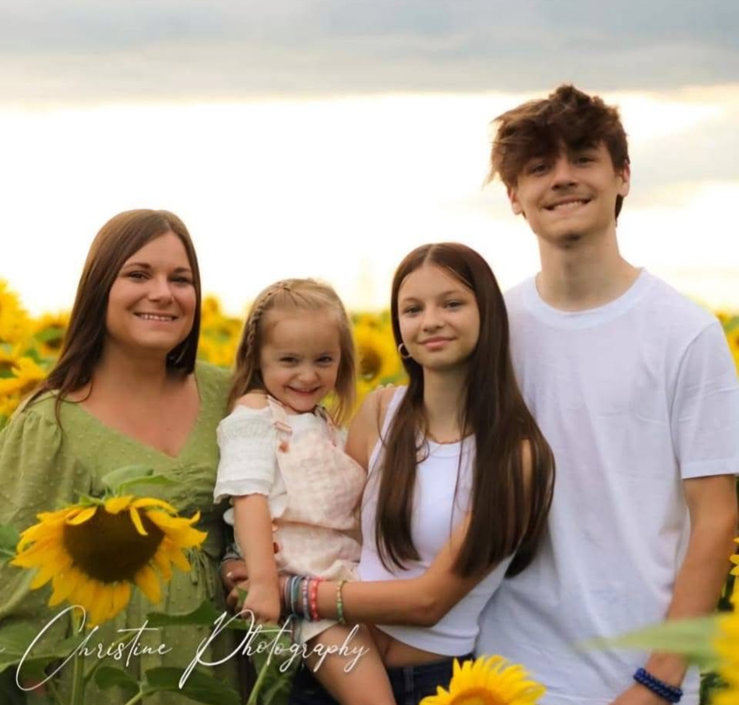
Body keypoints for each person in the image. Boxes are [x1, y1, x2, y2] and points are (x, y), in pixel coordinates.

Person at [477, 84, 739, 705]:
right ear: (514, 196)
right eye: (539, 167)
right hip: (502, 677)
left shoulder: (685, 333)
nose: (563, 178)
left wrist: (659, 681)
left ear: (622, 175)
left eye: (583, 158)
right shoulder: (493, 332)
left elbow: (716, 518)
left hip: (643, 678)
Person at [233, 243, 555, 705]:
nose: (431, 321)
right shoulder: (381, 411)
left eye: (452, 304)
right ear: (400, 329)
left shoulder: (514, 457)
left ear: (488, 317)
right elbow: (328, 521)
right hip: (328, 667)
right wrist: (248, 562)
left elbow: (428, 603)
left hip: (435, 685)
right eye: (413, 309)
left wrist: (287, 590)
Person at [0, 210, 239, 704]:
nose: (163, 293)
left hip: (222, 669)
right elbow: (15, 582)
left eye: (181, 279)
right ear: (99, 287)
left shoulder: (229, 396)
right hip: (105, 678)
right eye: (138, 274)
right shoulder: (52, 421)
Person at [213, 278, 397, 705]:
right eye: (289, 360)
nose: (308, 375)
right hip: (307, 604)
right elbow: (250, 498)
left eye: (324, 360)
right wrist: (263, 583)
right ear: (257, 358)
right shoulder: (256, 414)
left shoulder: (326, 424)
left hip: (349, 585)